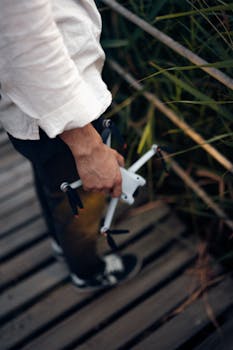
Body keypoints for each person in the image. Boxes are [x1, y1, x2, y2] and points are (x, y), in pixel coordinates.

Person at [0, 0, 140, 291]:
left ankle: (61, 241)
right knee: (80, 202)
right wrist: (87, 146)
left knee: (54, 182)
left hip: (32, 108)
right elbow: (27, 43)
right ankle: (88, 271)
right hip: (60, 110)